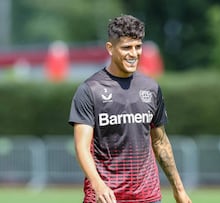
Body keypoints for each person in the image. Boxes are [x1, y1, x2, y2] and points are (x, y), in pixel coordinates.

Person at [68, 15, 192, 203]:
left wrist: (179, 190)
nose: (133, 54)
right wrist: (97, 183)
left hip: (147, 197)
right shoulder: (89, 90)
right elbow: (82, 147)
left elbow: (160, 142)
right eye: (126, 47)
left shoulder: (151, 88)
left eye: (138, 47)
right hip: (105, 197)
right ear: (110, 48)